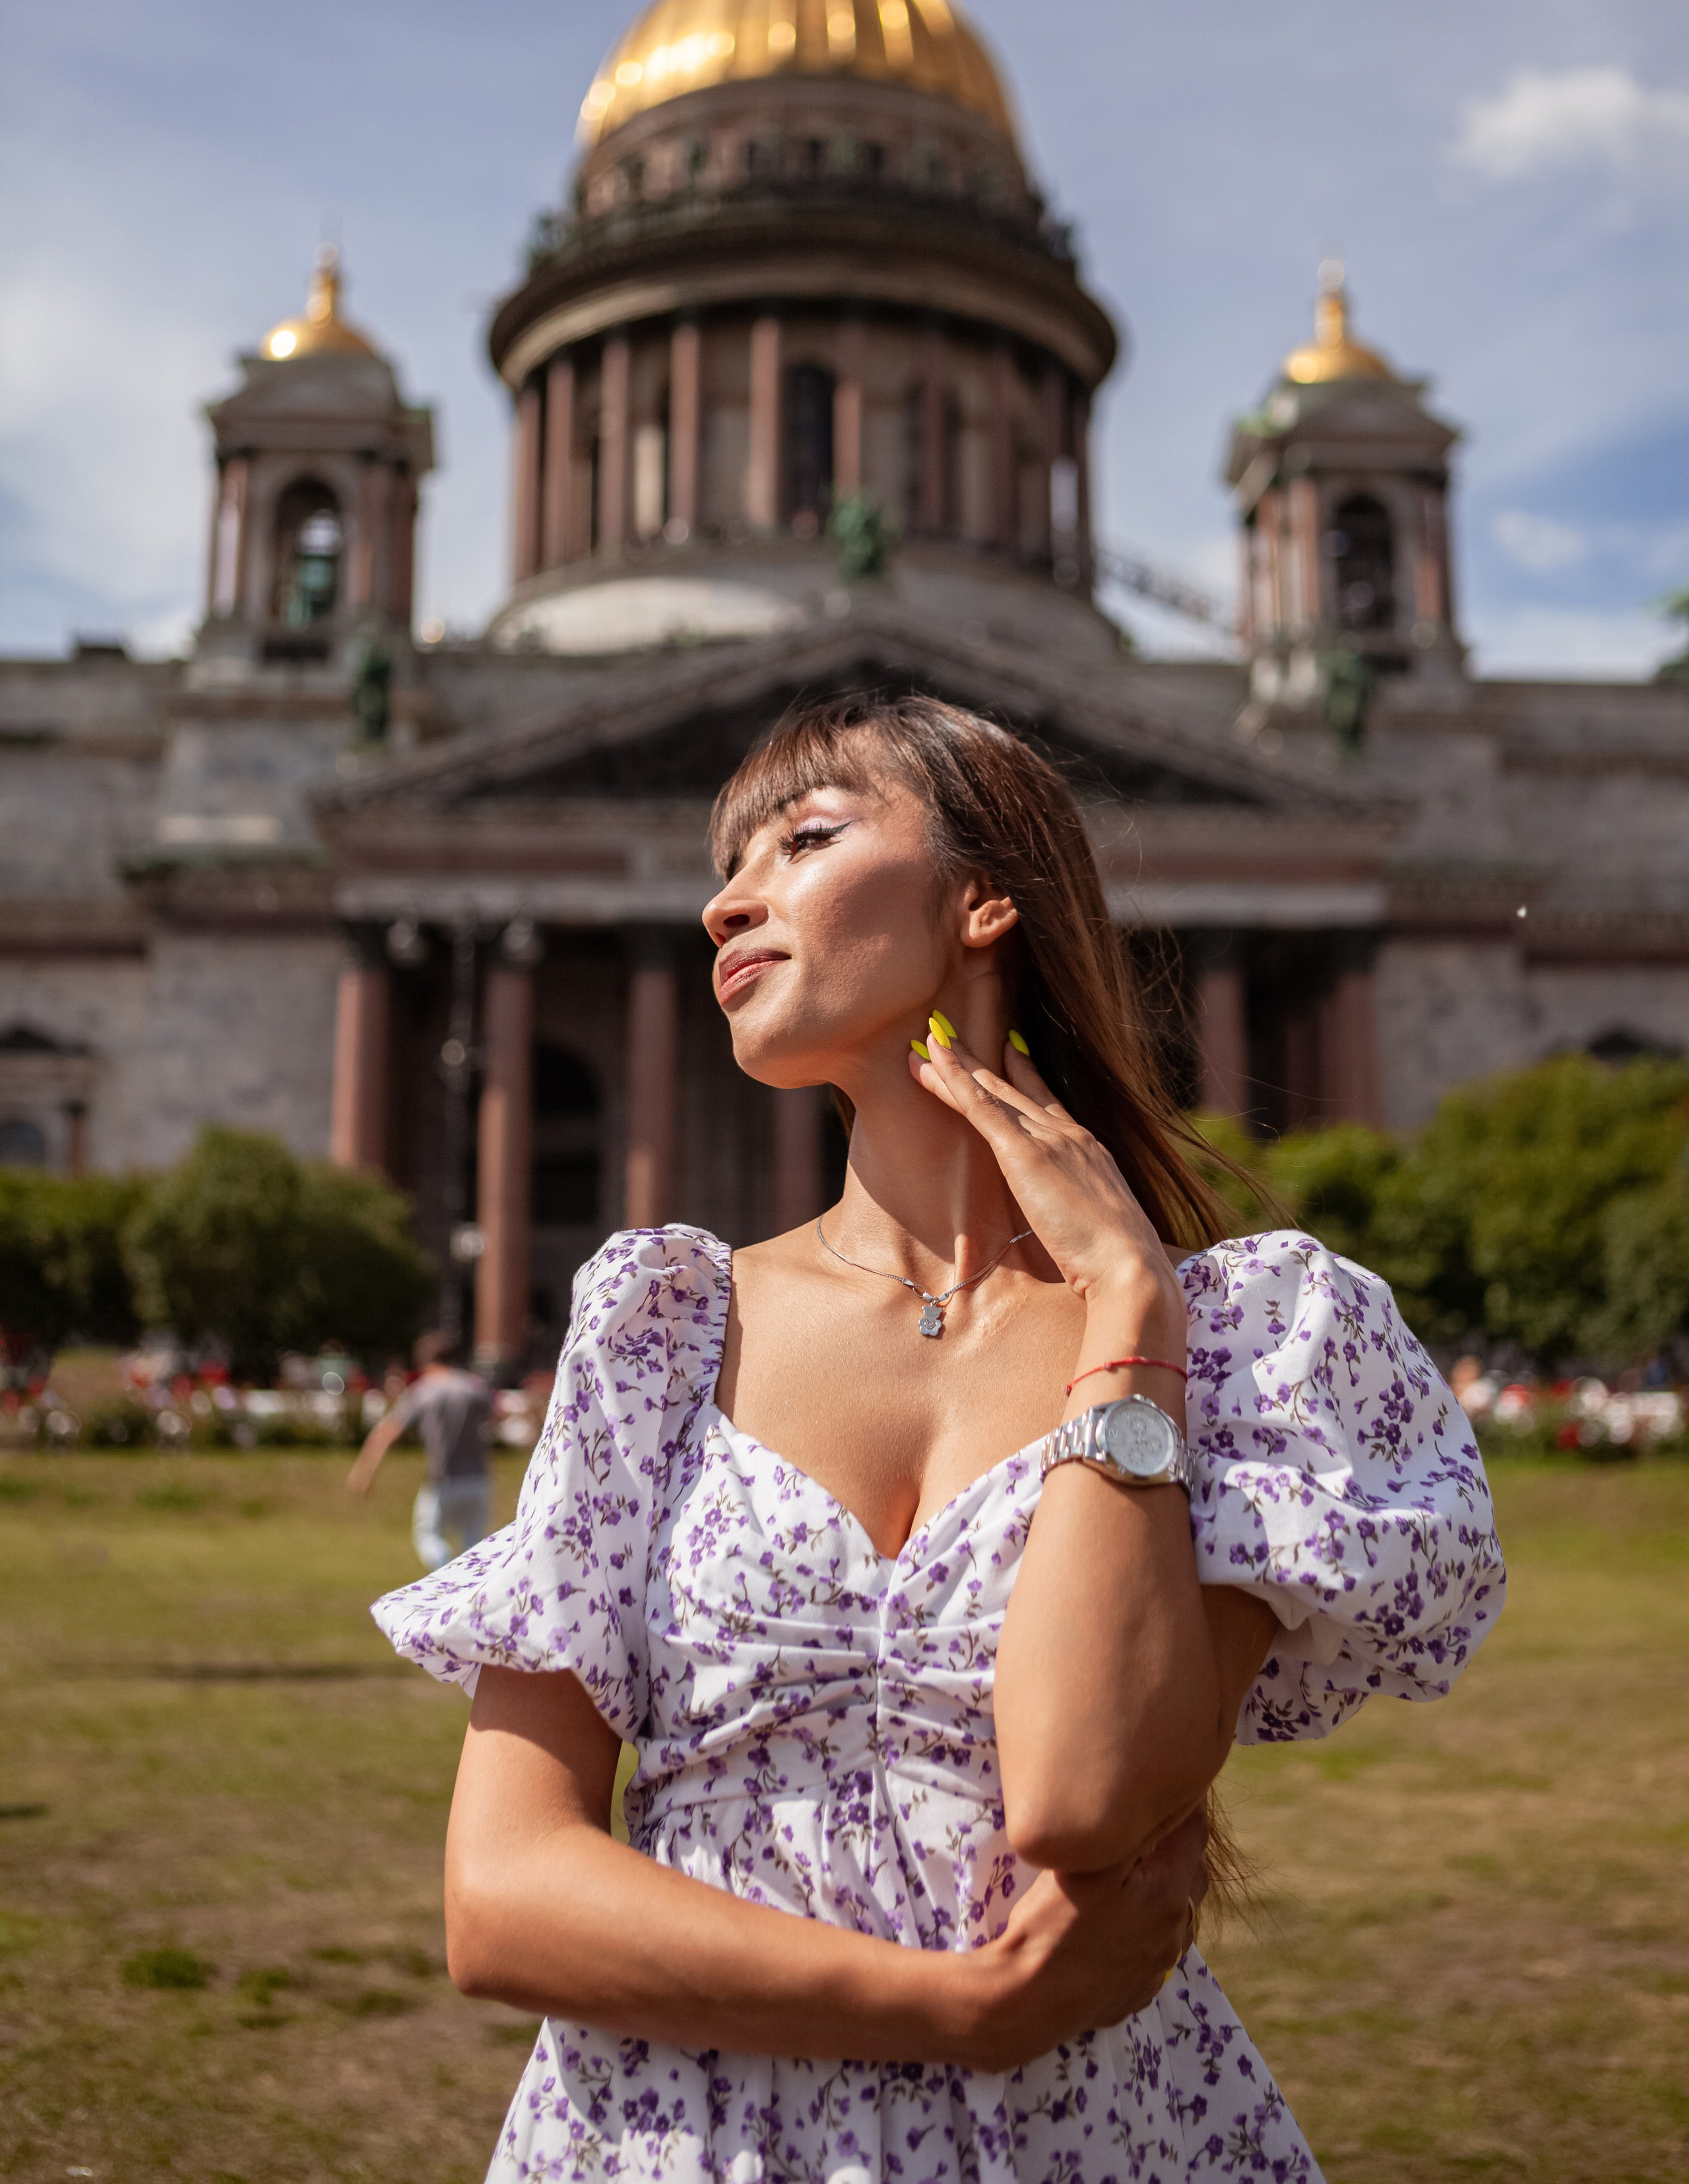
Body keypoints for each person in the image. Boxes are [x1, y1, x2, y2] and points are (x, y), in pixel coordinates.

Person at [375, 695, 1506, 2183]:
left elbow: (1081, 1791)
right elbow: (502, 1896)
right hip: (673, 2145)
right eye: (726, 862)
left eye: (804, 837)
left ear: (985, 901)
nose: (723, 897)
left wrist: (1122, 1304)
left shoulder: (1236, 1343)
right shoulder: (658, 1329)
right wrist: (963, 2010)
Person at [348, 1329, 492, 1570]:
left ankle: (448, 1580)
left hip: (444, 1480)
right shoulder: (475, 1388)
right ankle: (473, 1594)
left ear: (423, 1361)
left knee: (428, 1535)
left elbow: (387, 1433)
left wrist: (364, 1473)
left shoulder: (424, 1392)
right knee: (474, 1541)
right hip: (479, 1479)